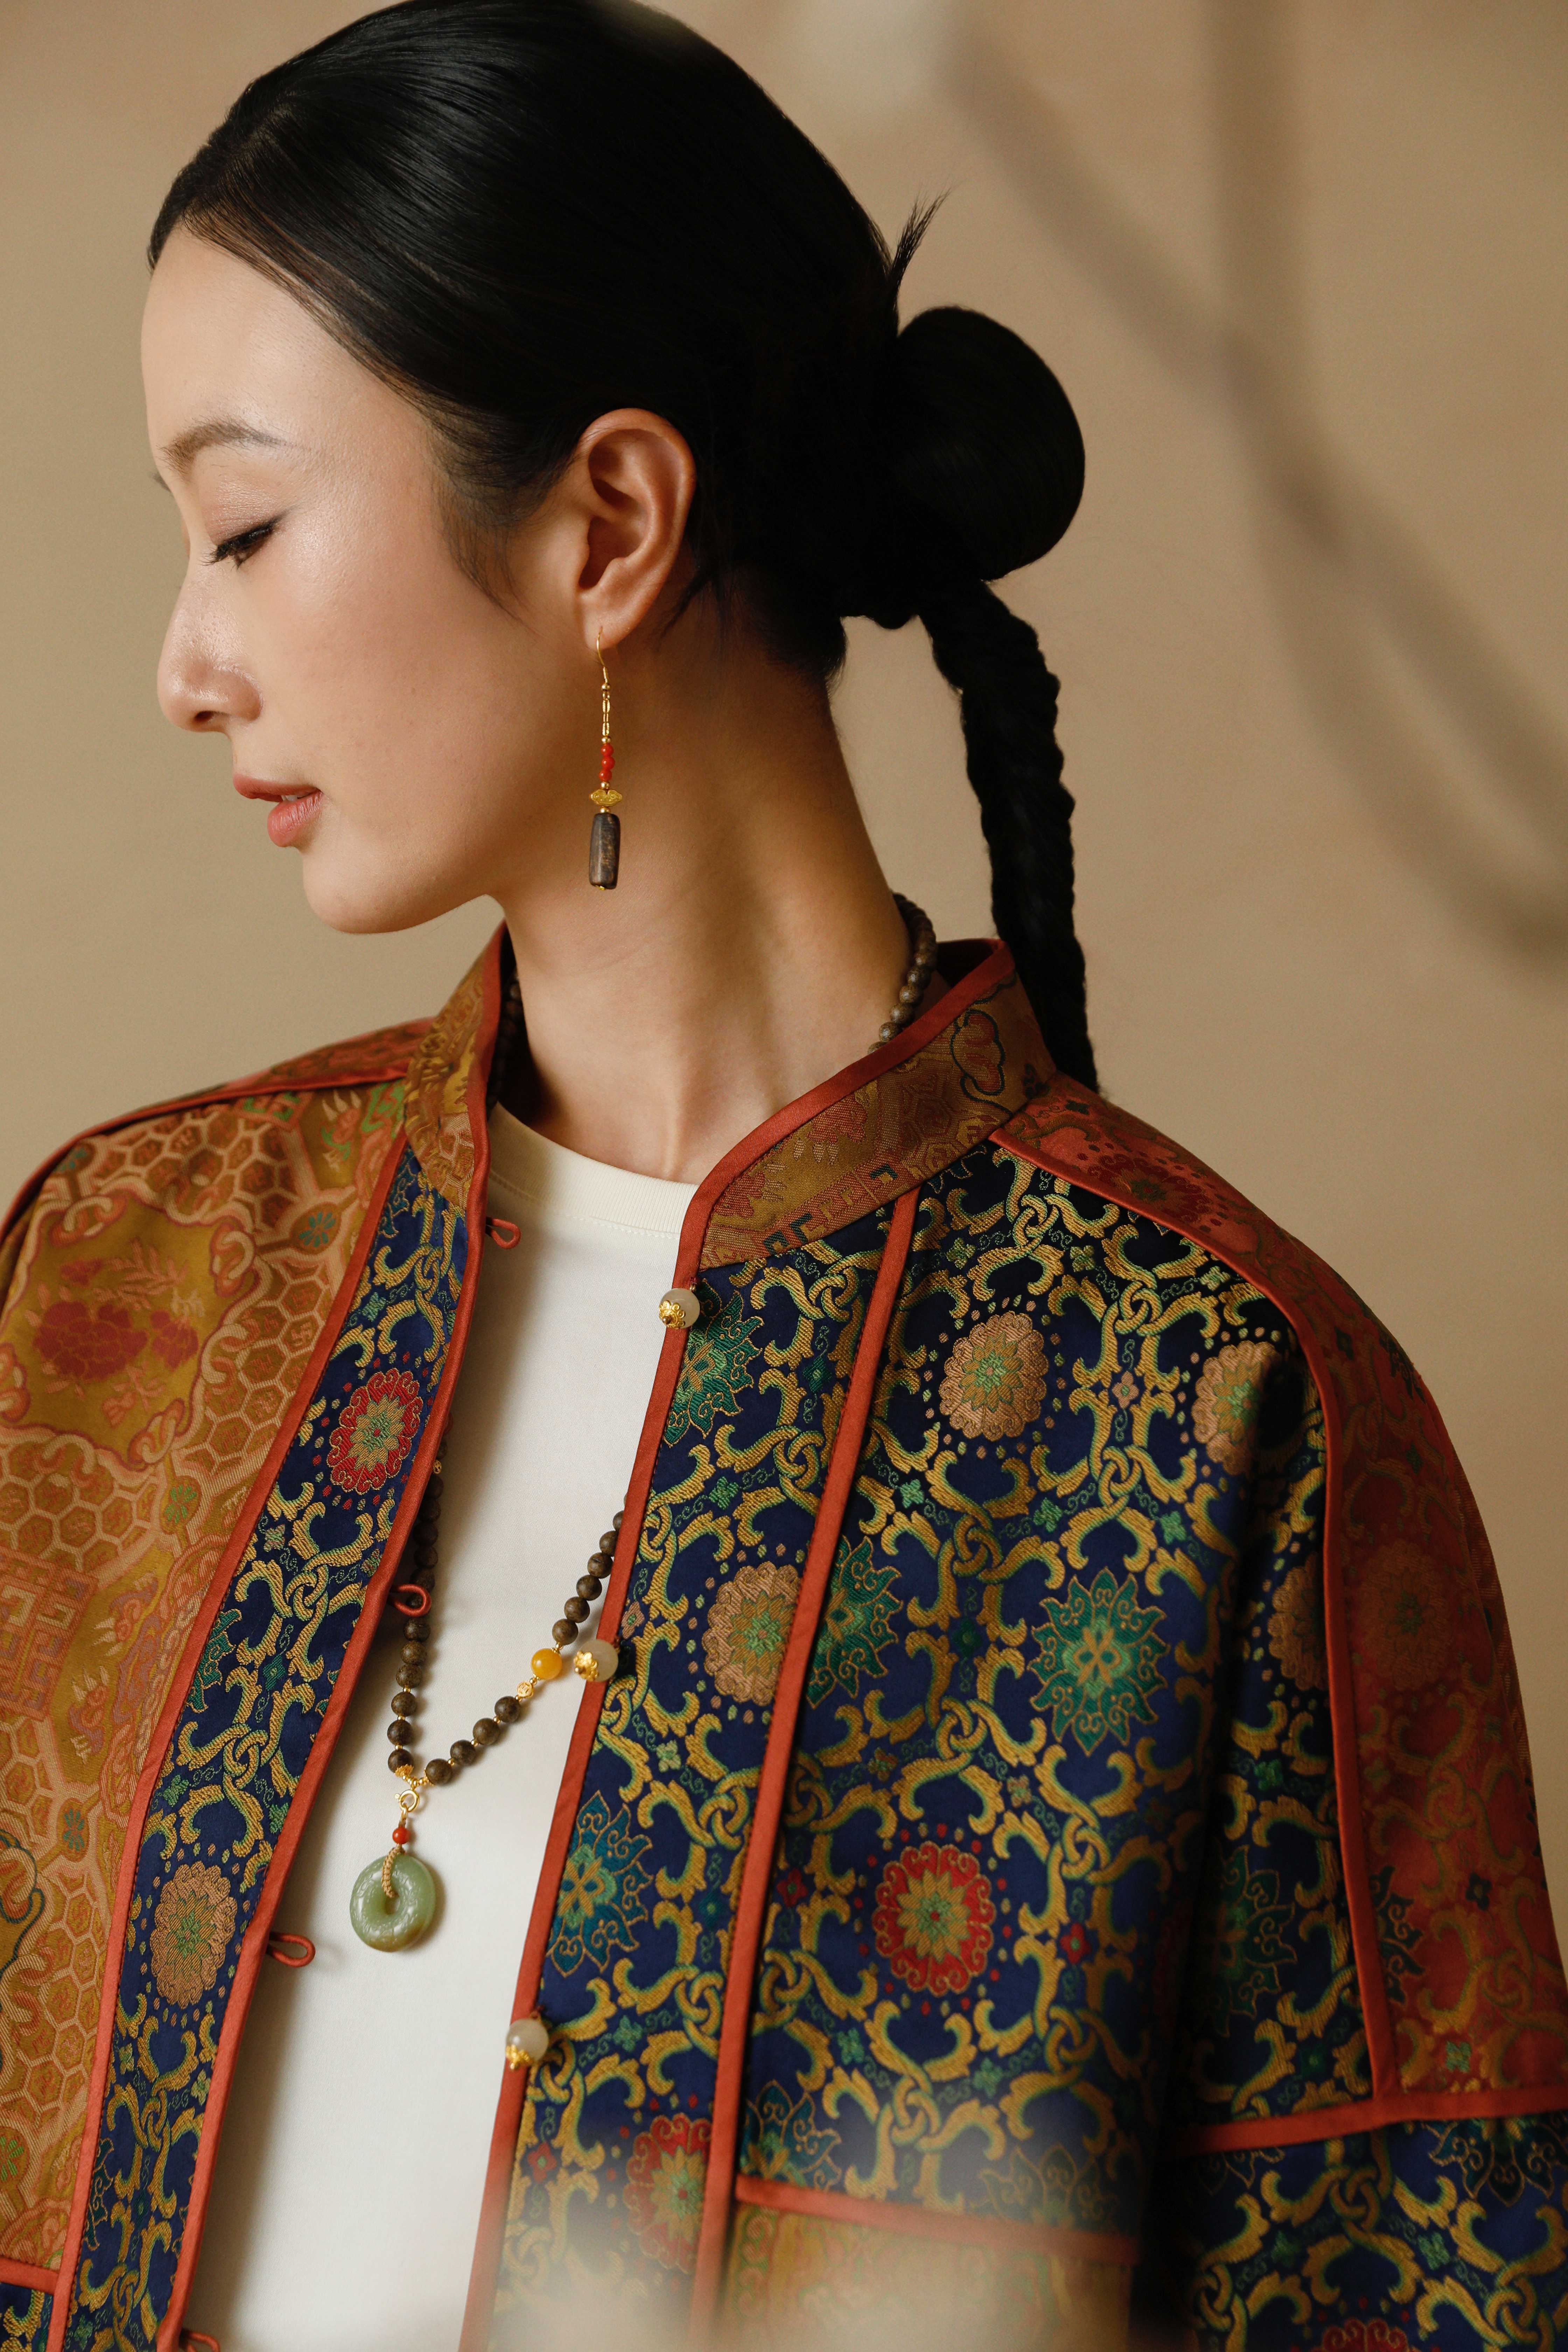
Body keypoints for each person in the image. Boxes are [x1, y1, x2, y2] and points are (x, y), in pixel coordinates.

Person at [2, 3, 1564, 2346]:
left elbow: (1412, 2277)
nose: (186, 664)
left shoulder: (1215, 1404)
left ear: (610, 525)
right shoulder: (115, 1291)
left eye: (244, 524)